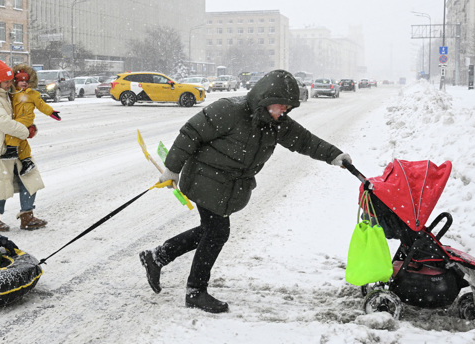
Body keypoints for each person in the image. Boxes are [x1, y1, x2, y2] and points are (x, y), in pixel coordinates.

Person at [139, 70, 352, 313]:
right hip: (204, 179)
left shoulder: (276, 124)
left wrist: (334, 155)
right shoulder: (229, 110)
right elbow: (191, 133)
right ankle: (195, 291)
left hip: (227, 186)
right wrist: (172, 169)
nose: (284, 111)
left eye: (287, 107)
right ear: (266, 98)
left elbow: (305, 141)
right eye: (281, 105)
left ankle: (157, 257)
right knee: (217, 232)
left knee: (211, 231)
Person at [0, 59, 48, 231]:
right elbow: (2, 121)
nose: (11, 84)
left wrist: (30, 125)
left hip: (16, 144)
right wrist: (25, 131)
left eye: (11, 80)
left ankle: (27, 216)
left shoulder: (8, 94)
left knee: (29, 177)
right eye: (7, 81)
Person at [0, 64, 61, 177]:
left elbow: (41, 105)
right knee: (22, 139)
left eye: (26, 81)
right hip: (17, 118)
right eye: (21, 81)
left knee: (12, 131)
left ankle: (11, 150)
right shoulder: (13, 93)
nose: (24, 83)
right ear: (15, 82)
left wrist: (51, 112)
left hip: (26, 119)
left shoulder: (32, 94)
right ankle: (27, 161)